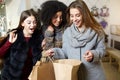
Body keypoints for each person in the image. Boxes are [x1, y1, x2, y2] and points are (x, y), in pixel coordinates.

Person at [46, 0, 106, 80]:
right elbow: (65, 52)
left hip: (93, 75)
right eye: (72, 16)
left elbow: (102, 50)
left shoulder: (97, 31)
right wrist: (55, 52)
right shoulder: (67, 32)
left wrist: (93, 54)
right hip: (74, 74)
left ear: (85, 15)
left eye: (77, 15)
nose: (74, 19)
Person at [0, 9, 43, 80]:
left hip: (30, 77)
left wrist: (44, 51)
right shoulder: (14, 35)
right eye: (29, 23)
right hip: (10, 77)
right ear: (22, 23)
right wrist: (9, 42)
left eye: (34, 22)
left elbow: (39, 59)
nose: (32, 25)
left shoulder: (39, 37)